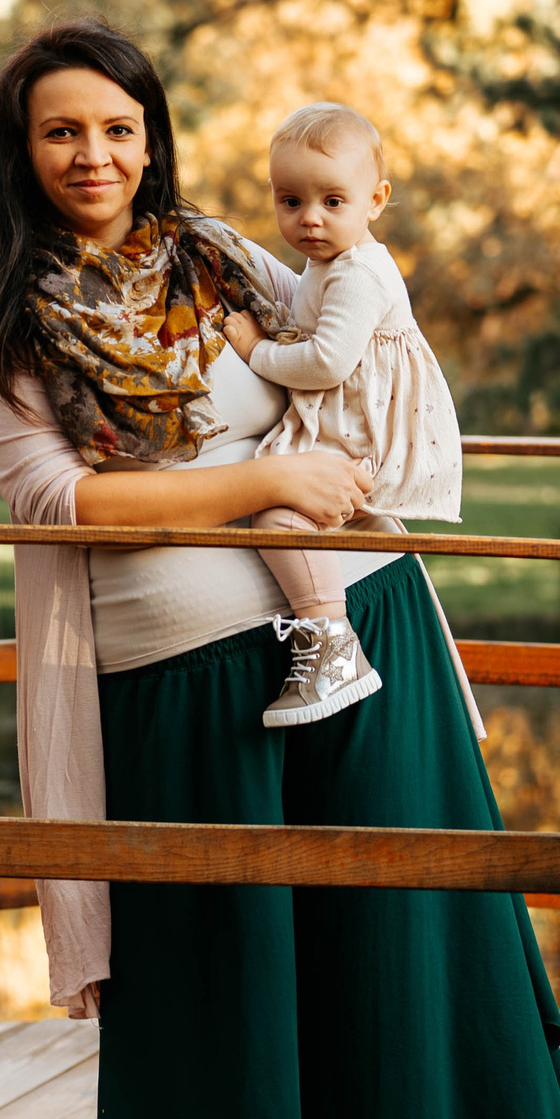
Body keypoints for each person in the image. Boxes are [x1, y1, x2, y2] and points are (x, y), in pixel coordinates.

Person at [0, 19, 560, 1119]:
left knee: (376, 958)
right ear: (22, 146)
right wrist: (257, 486)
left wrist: (320, 472)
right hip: (172, 676)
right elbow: (56, 498)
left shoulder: (224, 251)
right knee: (207, 982)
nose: (95, 154)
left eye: (119, 128)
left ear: (151, 136)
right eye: (64, 130)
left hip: (355, 634)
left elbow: (350, 345)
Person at [219, 101, 464, 728]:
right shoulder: (330, 263)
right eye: (291, 201)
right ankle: (367, 545)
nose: (310, 220)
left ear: (376, 200)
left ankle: (329, 640)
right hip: (350, 421)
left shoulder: (358, 275)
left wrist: (255, 350)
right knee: (297, 499)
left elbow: (326, 363)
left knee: (276, 516)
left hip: (361, 431)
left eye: (333, 201)